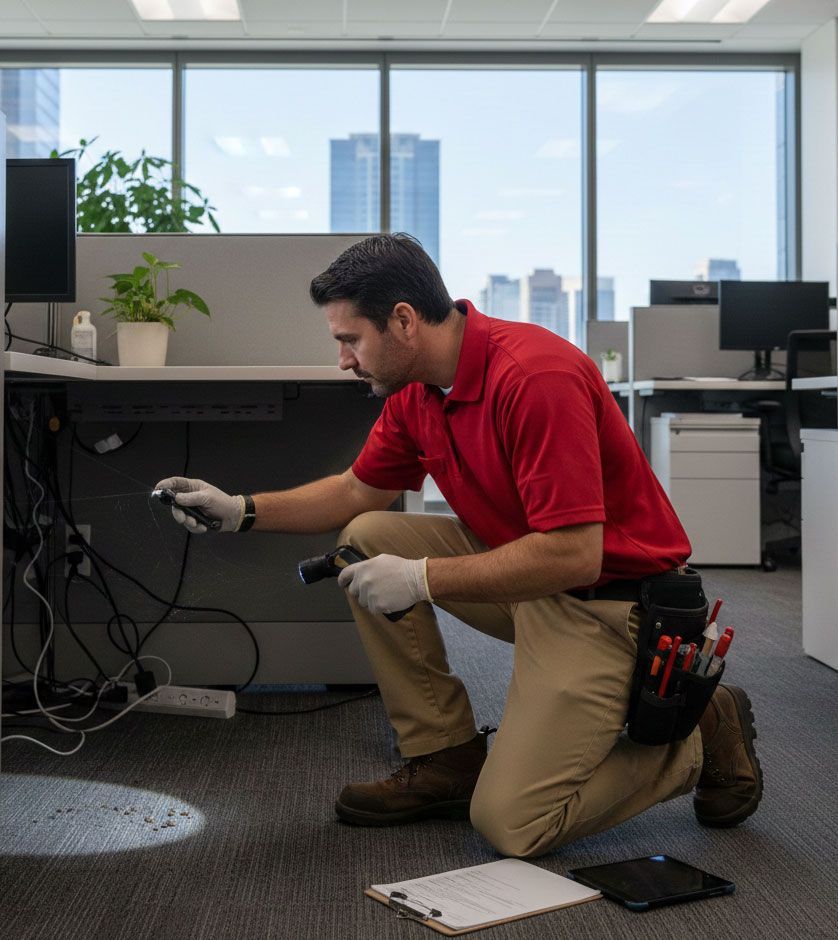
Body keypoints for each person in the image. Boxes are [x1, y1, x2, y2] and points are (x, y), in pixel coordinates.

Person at [156, 233, 762, 857]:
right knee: (365, 538)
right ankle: (446, 754)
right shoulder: (417, 391)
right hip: (530, 576)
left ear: (404, 321)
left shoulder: (534, 377)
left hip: (609, 604)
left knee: (514, 824)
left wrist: (422, 579)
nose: (343, 360)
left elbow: (575, 553)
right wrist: (239, 511)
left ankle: (701, 730)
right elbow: (351, 493)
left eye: (350, 340)